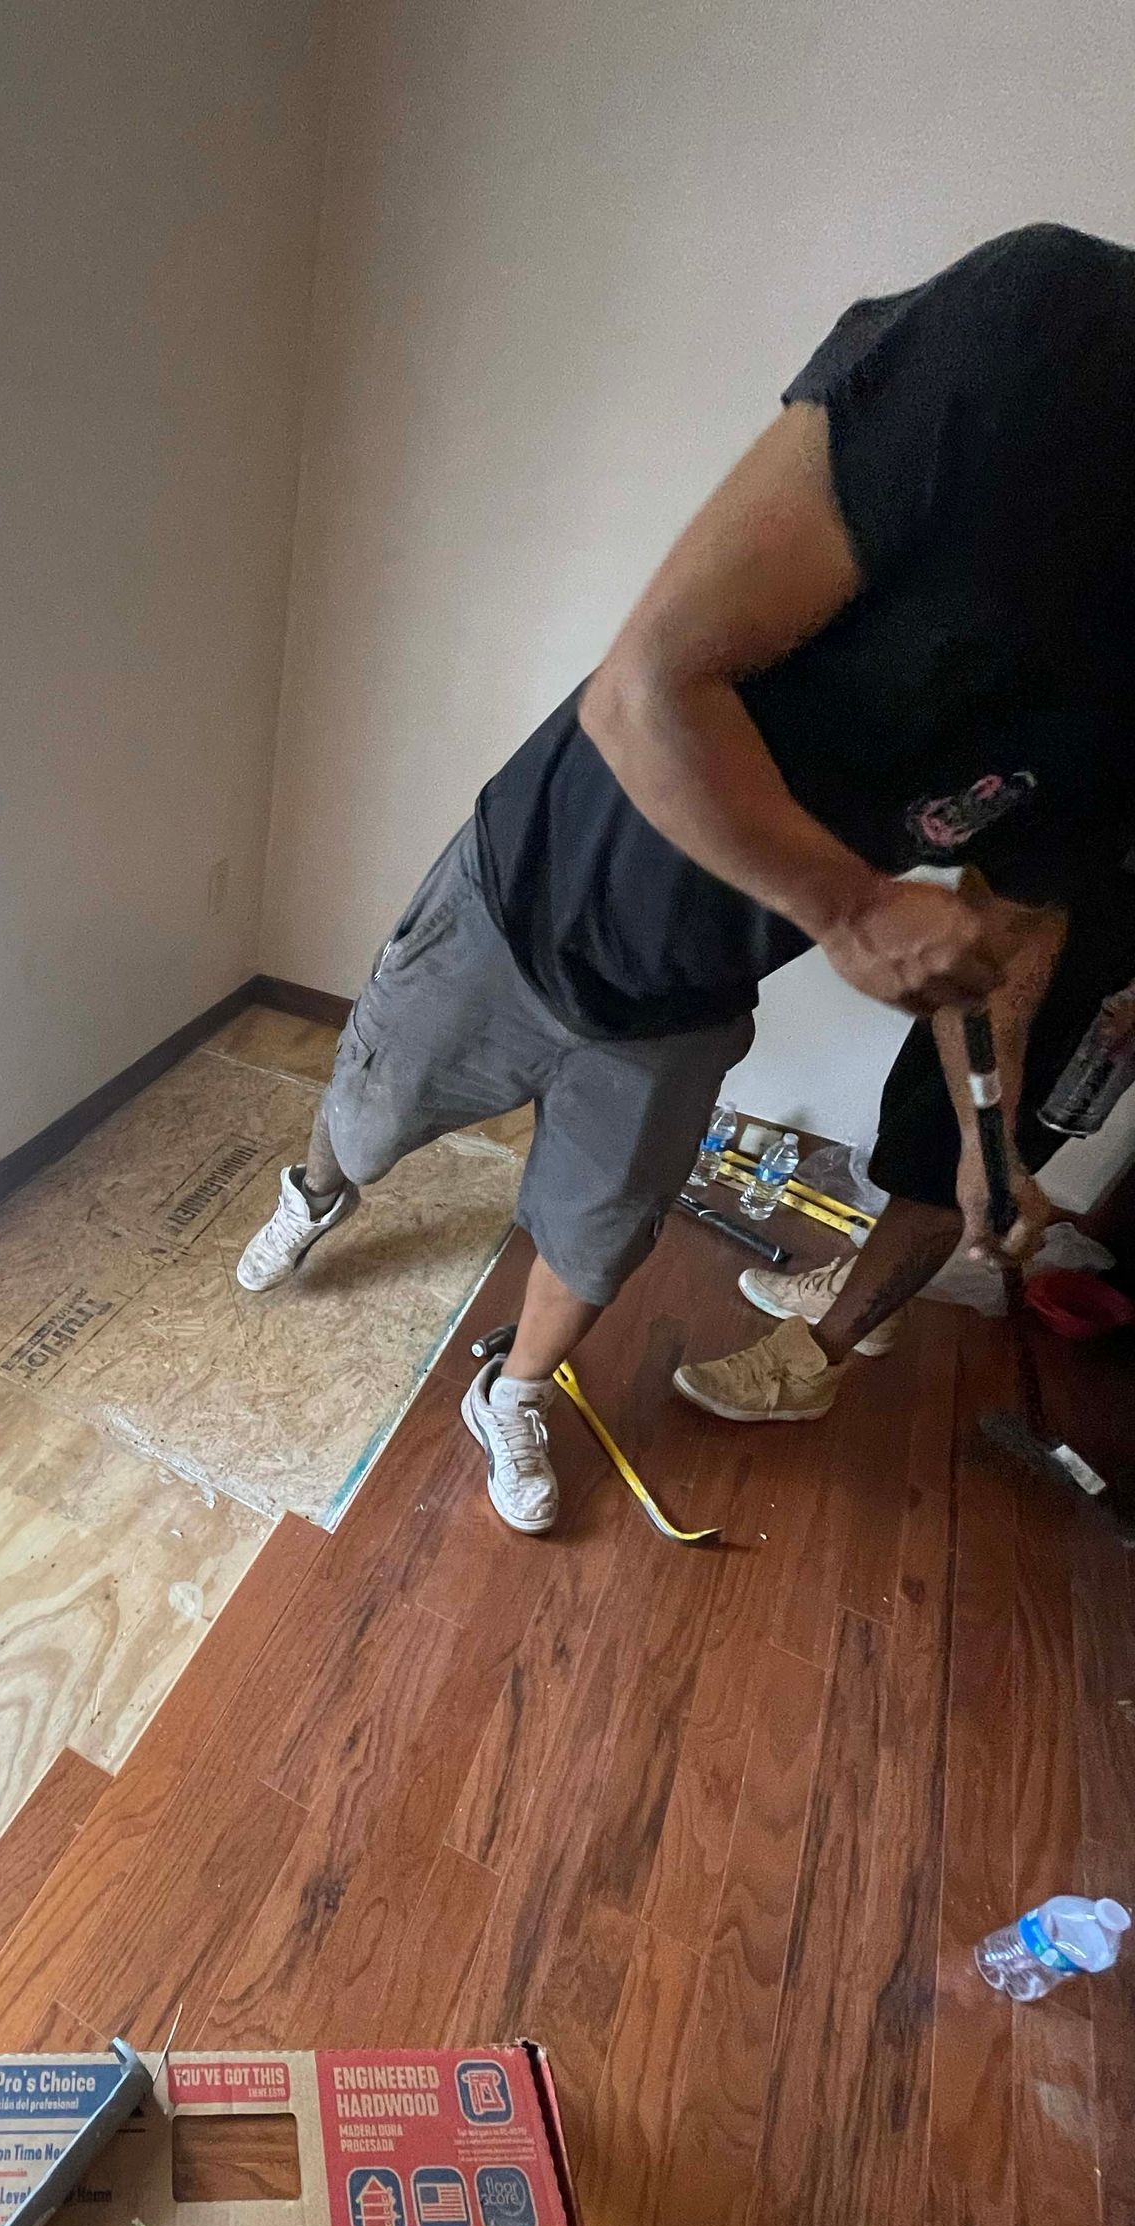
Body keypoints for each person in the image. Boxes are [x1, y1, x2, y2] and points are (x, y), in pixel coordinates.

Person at [237, 222, 1135, 1533]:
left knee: (598, 1240)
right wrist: (849, 905)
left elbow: (998, 943)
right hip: (522, 895)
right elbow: (643, 687)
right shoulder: (1051, 336)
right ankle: (315, 1195)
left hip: (692, 996)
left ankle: (516, 1390)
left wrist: (986, 1159)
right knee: (369, 1118)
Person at [674, 877, 1135, 1417]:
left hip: (1087, 999)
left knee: (948, 1180)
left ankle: (811, 1367)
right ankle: (868, 1293)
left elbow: (1010, 973)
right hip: (1011, 950)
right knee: (912, 1132)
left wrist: (989, 1145)